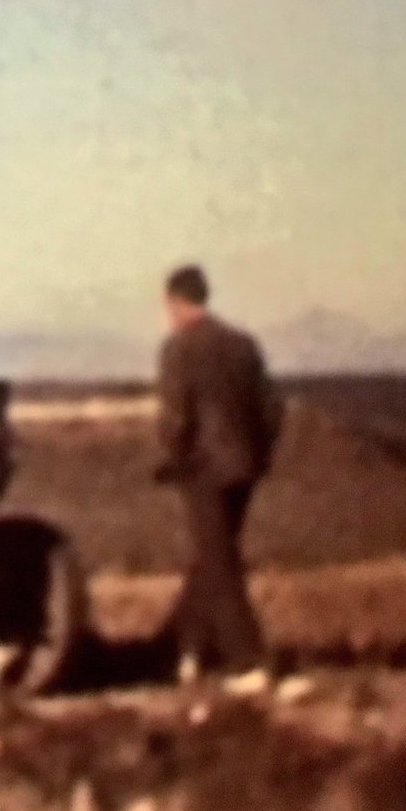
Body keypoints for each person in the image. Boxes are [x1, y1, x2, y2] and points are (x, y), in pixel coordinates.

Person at [155, 265, 283, 694]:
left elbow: (176, 417)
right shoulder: (242, 345)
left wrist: (172, 459)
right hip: (244, 468)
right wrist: (259, 457)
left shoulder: (178, 348)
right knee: (212, 556)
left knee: (219, 564)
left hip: (204, 470)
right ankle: (187, 651)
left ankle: (249, 663)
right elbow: (271, 409)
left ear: (175, 302)